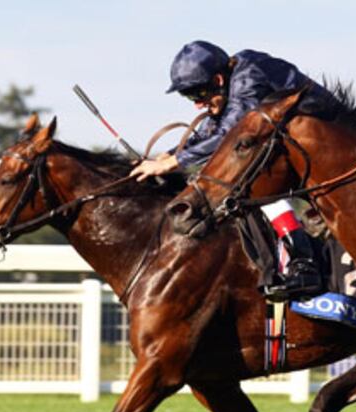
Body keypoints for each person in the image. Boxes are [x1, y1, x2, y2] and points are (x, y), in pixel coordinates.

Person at [131, 40, 326, 301]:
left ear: (219, 79)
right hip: (299, 151)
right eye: (189, 97)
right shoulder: (229, 87)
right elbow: (212, 129)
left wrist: (172, 163)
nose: (196, 105)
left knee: (251, 185)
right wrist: (171, 154)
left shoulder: (248, 77)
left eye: (196, 95)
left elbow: (229, 136)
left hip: (328, 142)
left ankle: (303, 261)